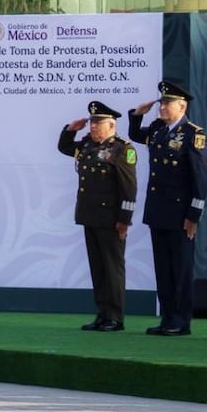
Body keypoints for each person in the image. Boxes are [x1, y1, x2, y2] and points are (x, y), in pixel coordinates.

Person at [129, 80, 207, 336]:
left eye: (167, 103)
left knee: (181, 269)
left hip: (180, 213)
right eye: (161, 103)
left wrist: (194, 214)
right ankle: (167, 317)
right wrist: (136, 115)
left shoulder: (193, 134)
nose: (162, 107)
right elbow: (135, 135)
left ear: (182, 107)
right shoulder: (158, 129)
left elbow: (199, 179)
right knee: (163, 269)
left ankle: (181, 321)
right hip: (158, 210)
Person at [57, 101, 137, 332]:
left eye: (98, 122)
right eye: (91, 122)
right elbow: (64, 147)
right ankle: (102, 313)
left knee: (112, 268)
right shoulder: (87, 145)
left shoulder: (122, 149)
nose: (93, 126)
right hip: (90, 215)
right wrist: (71, 129)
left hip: (111, 219)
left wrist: (124, 220)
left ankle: (115, 317)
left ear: (111, 125)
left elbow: (129, 188)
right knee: (98, 268)